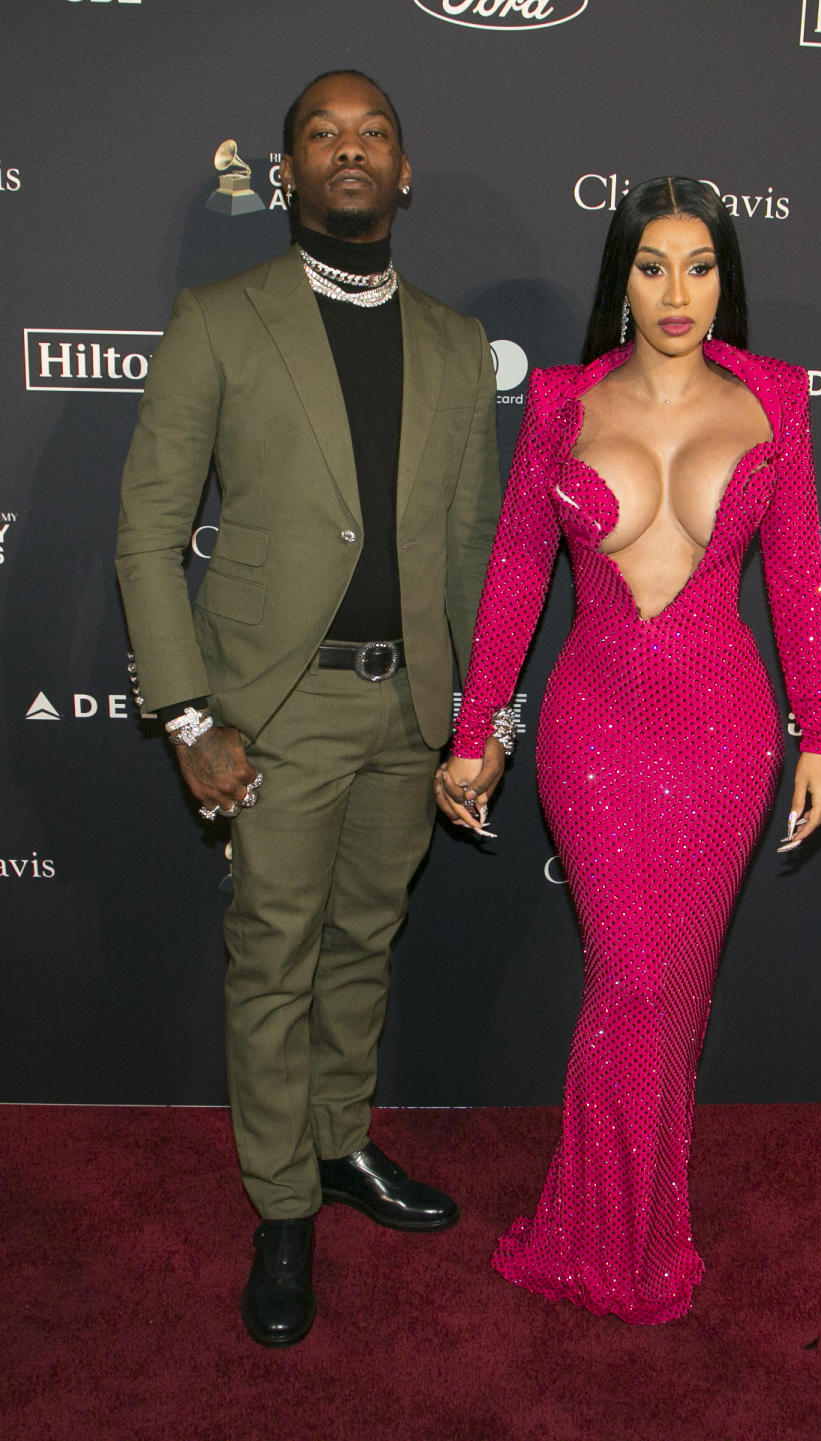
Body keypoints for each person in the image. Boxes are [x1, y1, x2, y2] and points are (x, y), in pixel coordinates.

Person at [116, 69, 500, 1347]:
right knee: (272, 962)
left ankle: (340, 1147)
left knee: (361, 950)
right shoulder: (219, 318)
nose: (351, 149)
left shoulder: (451, 343)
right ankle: (282, 1209)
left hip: (411, 716)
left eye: (374, 132)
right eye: (323, 134)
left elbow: (472, 548)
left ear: (404, 173)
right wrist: (185, 715)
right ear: (288, 173)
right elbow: (148, 534)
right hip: (274, 711)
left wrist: (475, 718)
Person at [436, 176, 821, 1325]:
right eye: (653, 264)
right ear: (622, 277)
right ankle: (611, 1234)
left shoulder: (777, 400)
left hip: (723, 725)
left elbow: (799, 576)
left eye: (701, 265)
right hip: (595, 726)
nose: (678, 290)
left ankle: (630, 1216)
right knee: (633, 975)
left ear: (727, 279)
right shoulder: (561, 403)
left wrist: (820, 731)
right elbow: (517, 573)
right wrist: (477, 735)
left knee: (675, 989)